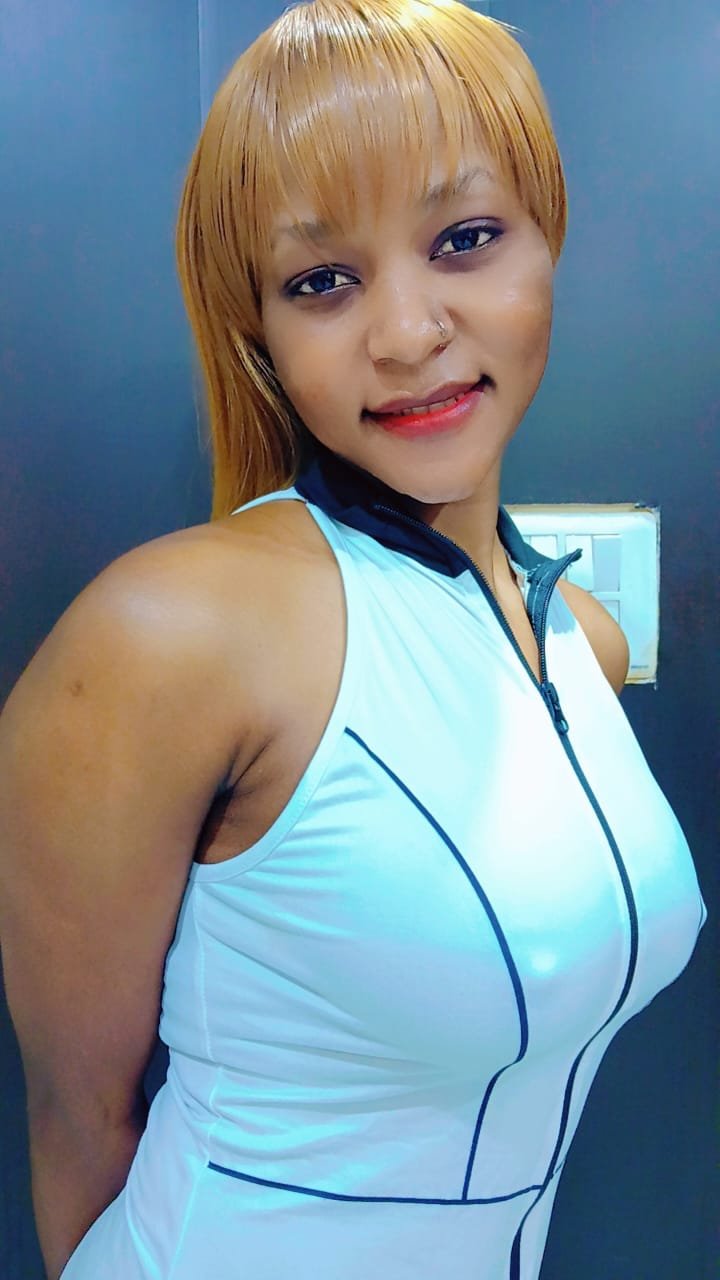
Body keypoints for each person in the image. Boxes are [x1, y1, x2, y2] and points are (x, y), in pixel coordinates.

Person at [0, 2, 707, 1278]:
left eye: (465, 239)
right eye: (321, 281)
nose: (406, 333)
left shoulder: (581, 644)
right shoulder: (167, 638)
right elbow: (78, 1116)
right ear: (260, 330)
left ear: (549, 237)